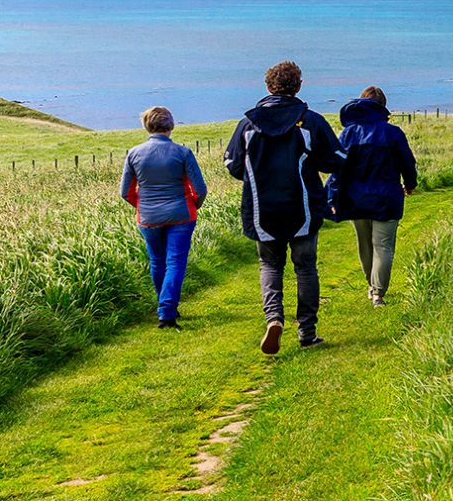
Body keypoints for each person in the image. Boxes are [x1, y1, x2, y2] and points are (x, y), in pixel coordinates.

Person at [225, 61, 345, 355]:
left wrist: (260, 174)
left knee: (270, 265)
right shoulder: (311, 121)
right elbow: (337, 160)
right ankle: (307, 331)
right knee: (305, 268)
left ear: (268, 86)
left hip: (261, 208)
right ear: (299, 86)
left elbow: (233, 165)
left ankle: (274, 319)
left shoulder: (248, 124)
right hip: (303, 206)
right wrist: (312, 166)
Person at [327, 86, 418, 307]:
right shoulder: (393, 133)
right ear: (383, 107)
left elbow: (338, 169)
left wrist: (332, 196)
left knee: (365, 245)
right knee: (384, 246)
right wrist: (410, 184)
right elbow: (408, 162)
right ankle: (378, 294)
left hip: (356, 198)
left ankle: (372, 285)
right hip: (386, 197)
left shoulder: (348, 133)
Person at [121, 106, 207, 330]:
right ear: (171, 126)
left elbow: (126, 192)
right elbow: (200, 189)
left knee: (158, 261)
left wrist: (143, 205)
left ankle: (165, 307)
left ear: (147, 125)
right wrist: (192, 205)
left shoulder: (134, 153)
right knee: (175, 262)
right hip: (181, 214)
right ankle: (167, 310)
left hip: (148, 217)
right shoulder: (183, 153)